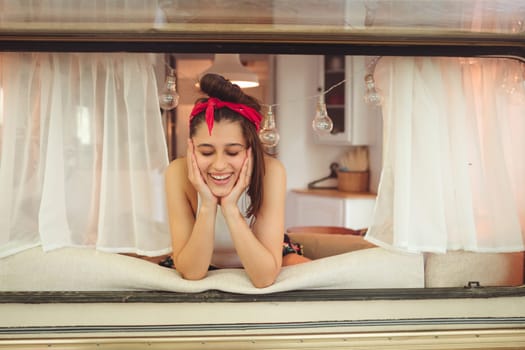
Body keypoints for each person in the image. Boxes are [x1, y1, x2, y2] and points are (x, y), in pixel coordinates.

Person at [163, 73, 309, 288]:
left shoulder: (272, 172)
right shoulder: (177, 172)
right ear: (191, 147)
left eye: (232, 152)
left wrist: (230, 208)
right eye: (206, 152)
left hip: (263, 255)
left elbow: (264, 277)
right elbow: (192, 272)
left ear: (250, 149)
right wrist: (207, 204)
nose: (219, 165)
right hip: (200, 260)